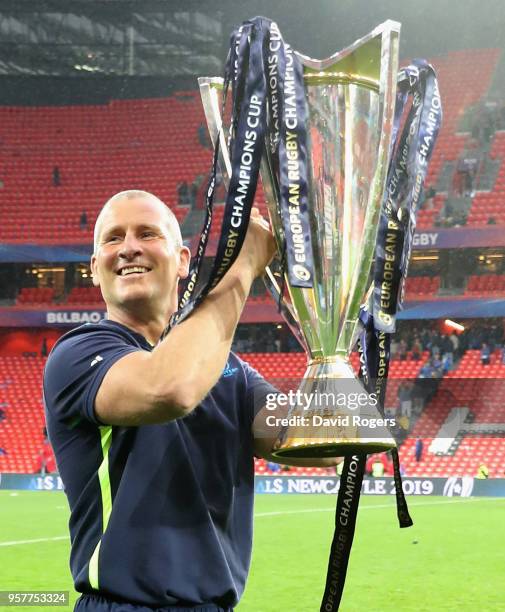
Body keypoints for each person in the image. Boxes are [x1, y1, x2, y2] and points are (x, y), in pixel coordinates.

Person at [44, 190, 335, 612]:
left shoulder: (230, 370)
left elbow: (323, 442)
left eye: (147, 233)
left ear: (182, 259)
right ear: (94, 268)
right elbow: (170, 389)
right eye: (112, 238)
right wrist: (242, 266)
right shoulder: (78, 354)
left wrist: (335, 338)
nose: (128, 248)